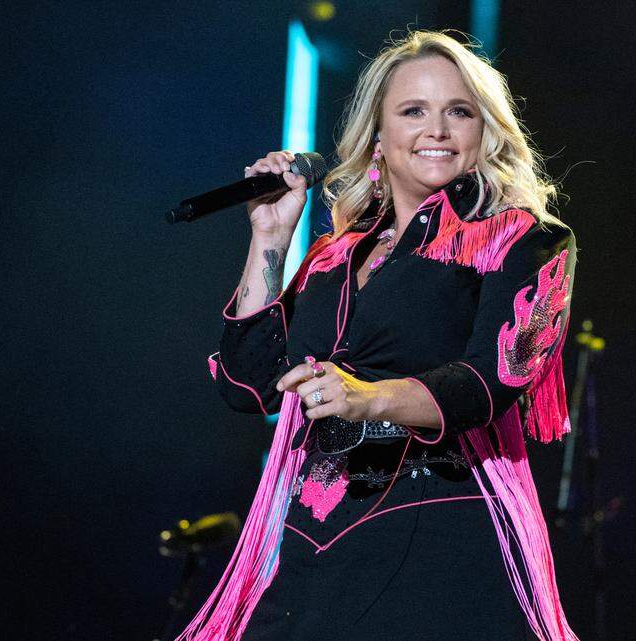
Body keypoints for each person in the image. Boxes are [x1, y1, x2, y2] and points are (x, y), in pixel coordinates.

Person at [178, 30, 579, 641]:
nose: (437, 130)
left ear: (484, 130)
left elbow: (489, 383)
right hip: (314, 542)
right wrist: (270, 239)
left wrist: (369, 397)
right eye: (414, 111)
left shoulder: (520, 239)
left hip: (438, 527)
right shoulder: (333, 257)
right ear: (379, 137)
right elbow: (247, 385)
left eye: (459, 111)